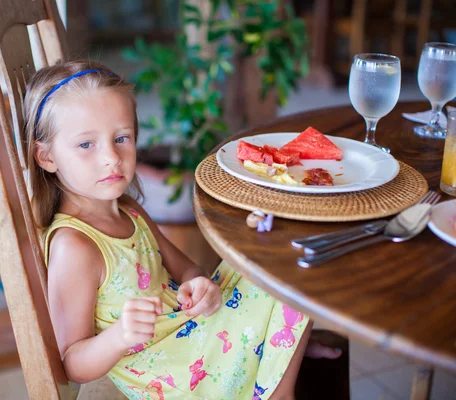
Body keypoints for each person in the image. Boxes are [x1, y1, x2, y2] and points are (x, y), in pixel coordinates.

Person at [23, 59, 340, 400]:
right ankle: (279, 387)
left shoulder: (129, 210)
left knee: (267, 247)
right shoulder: (76, 246)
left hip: (188, 330)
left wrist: (198, 286)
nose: (111, 158)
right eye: (86, 145)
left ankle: (284, 348)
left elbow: (186, 268)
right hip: (177, 371)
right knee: (293, 268)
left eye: (121, 138)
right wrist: (119, 336)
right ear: (46, 157)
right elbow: (71, 362)